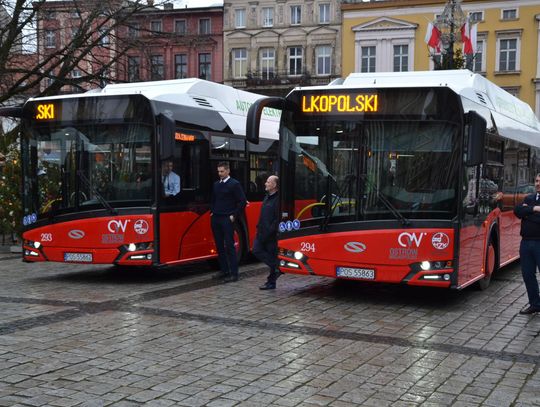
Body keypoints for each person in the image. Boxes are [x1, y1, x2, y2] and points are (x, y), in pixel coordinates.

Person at [210, 162, 247, 282]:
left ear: (228, 171)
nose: (220, 174)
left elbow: (242, 201)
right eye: (218, 171)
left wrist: (233, 216)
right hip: (216, 218)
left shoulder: (234, 184)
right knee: (219, 246)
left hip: (227, 218)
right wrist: (212, 212)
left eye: (222, 171)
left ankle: (234, 273)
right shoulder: (216, 184)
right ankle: (224, 270)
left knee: (230, 246)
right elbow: (213, 199)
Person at [514, 173, 540, 315]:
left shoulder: (528, 201)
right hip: (526, 243)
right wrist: (535, 209)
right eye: (536, 181)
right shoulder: (529, 198)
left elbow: (526, 214)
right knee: (527, 274)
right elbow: (517, 211)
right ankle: (535, 304)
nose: (537, 184)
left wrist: (527, 213)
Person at [254, 175, 280, 290]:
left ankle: (271, 282)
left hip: (270, 235)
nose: (265, 183)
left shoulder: (278, 200)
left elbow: (277, 219)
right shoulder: (267, 197)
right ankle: (277, 267)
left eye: (268, 182)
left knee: (271, 254)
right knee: (256, 250)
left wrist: (270, 230)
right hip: (261, 232)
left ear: (274, 185)